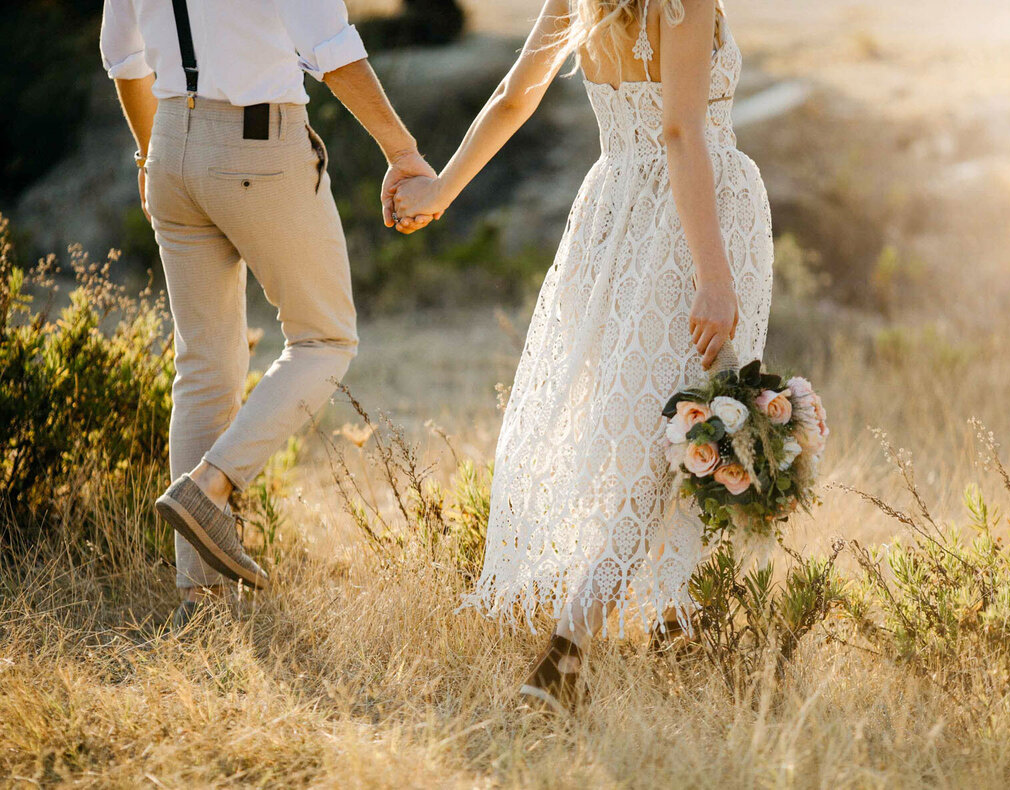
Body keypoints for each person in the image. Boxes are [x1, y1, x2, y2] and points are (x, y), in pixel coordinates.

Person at [392, 0, 774, 713]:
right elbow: (682, 131)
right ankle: (566, 652)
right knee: (682, 430)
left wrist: (443, 188)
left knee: (661, 424)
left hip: (613, 214)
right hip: (690, 222)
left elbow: (514, 97)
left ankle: (673, 621)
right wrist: (714, 275)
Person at [99, 0, 437, 628]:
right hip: (259, 144)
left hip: (169, 143)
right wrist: (403, 152)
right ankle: (210, 487)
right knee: (325, 340)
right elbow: (333, 49)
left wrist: (151, 154)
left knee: (203, 368)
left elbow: (122, 56)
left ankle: (200, 609)